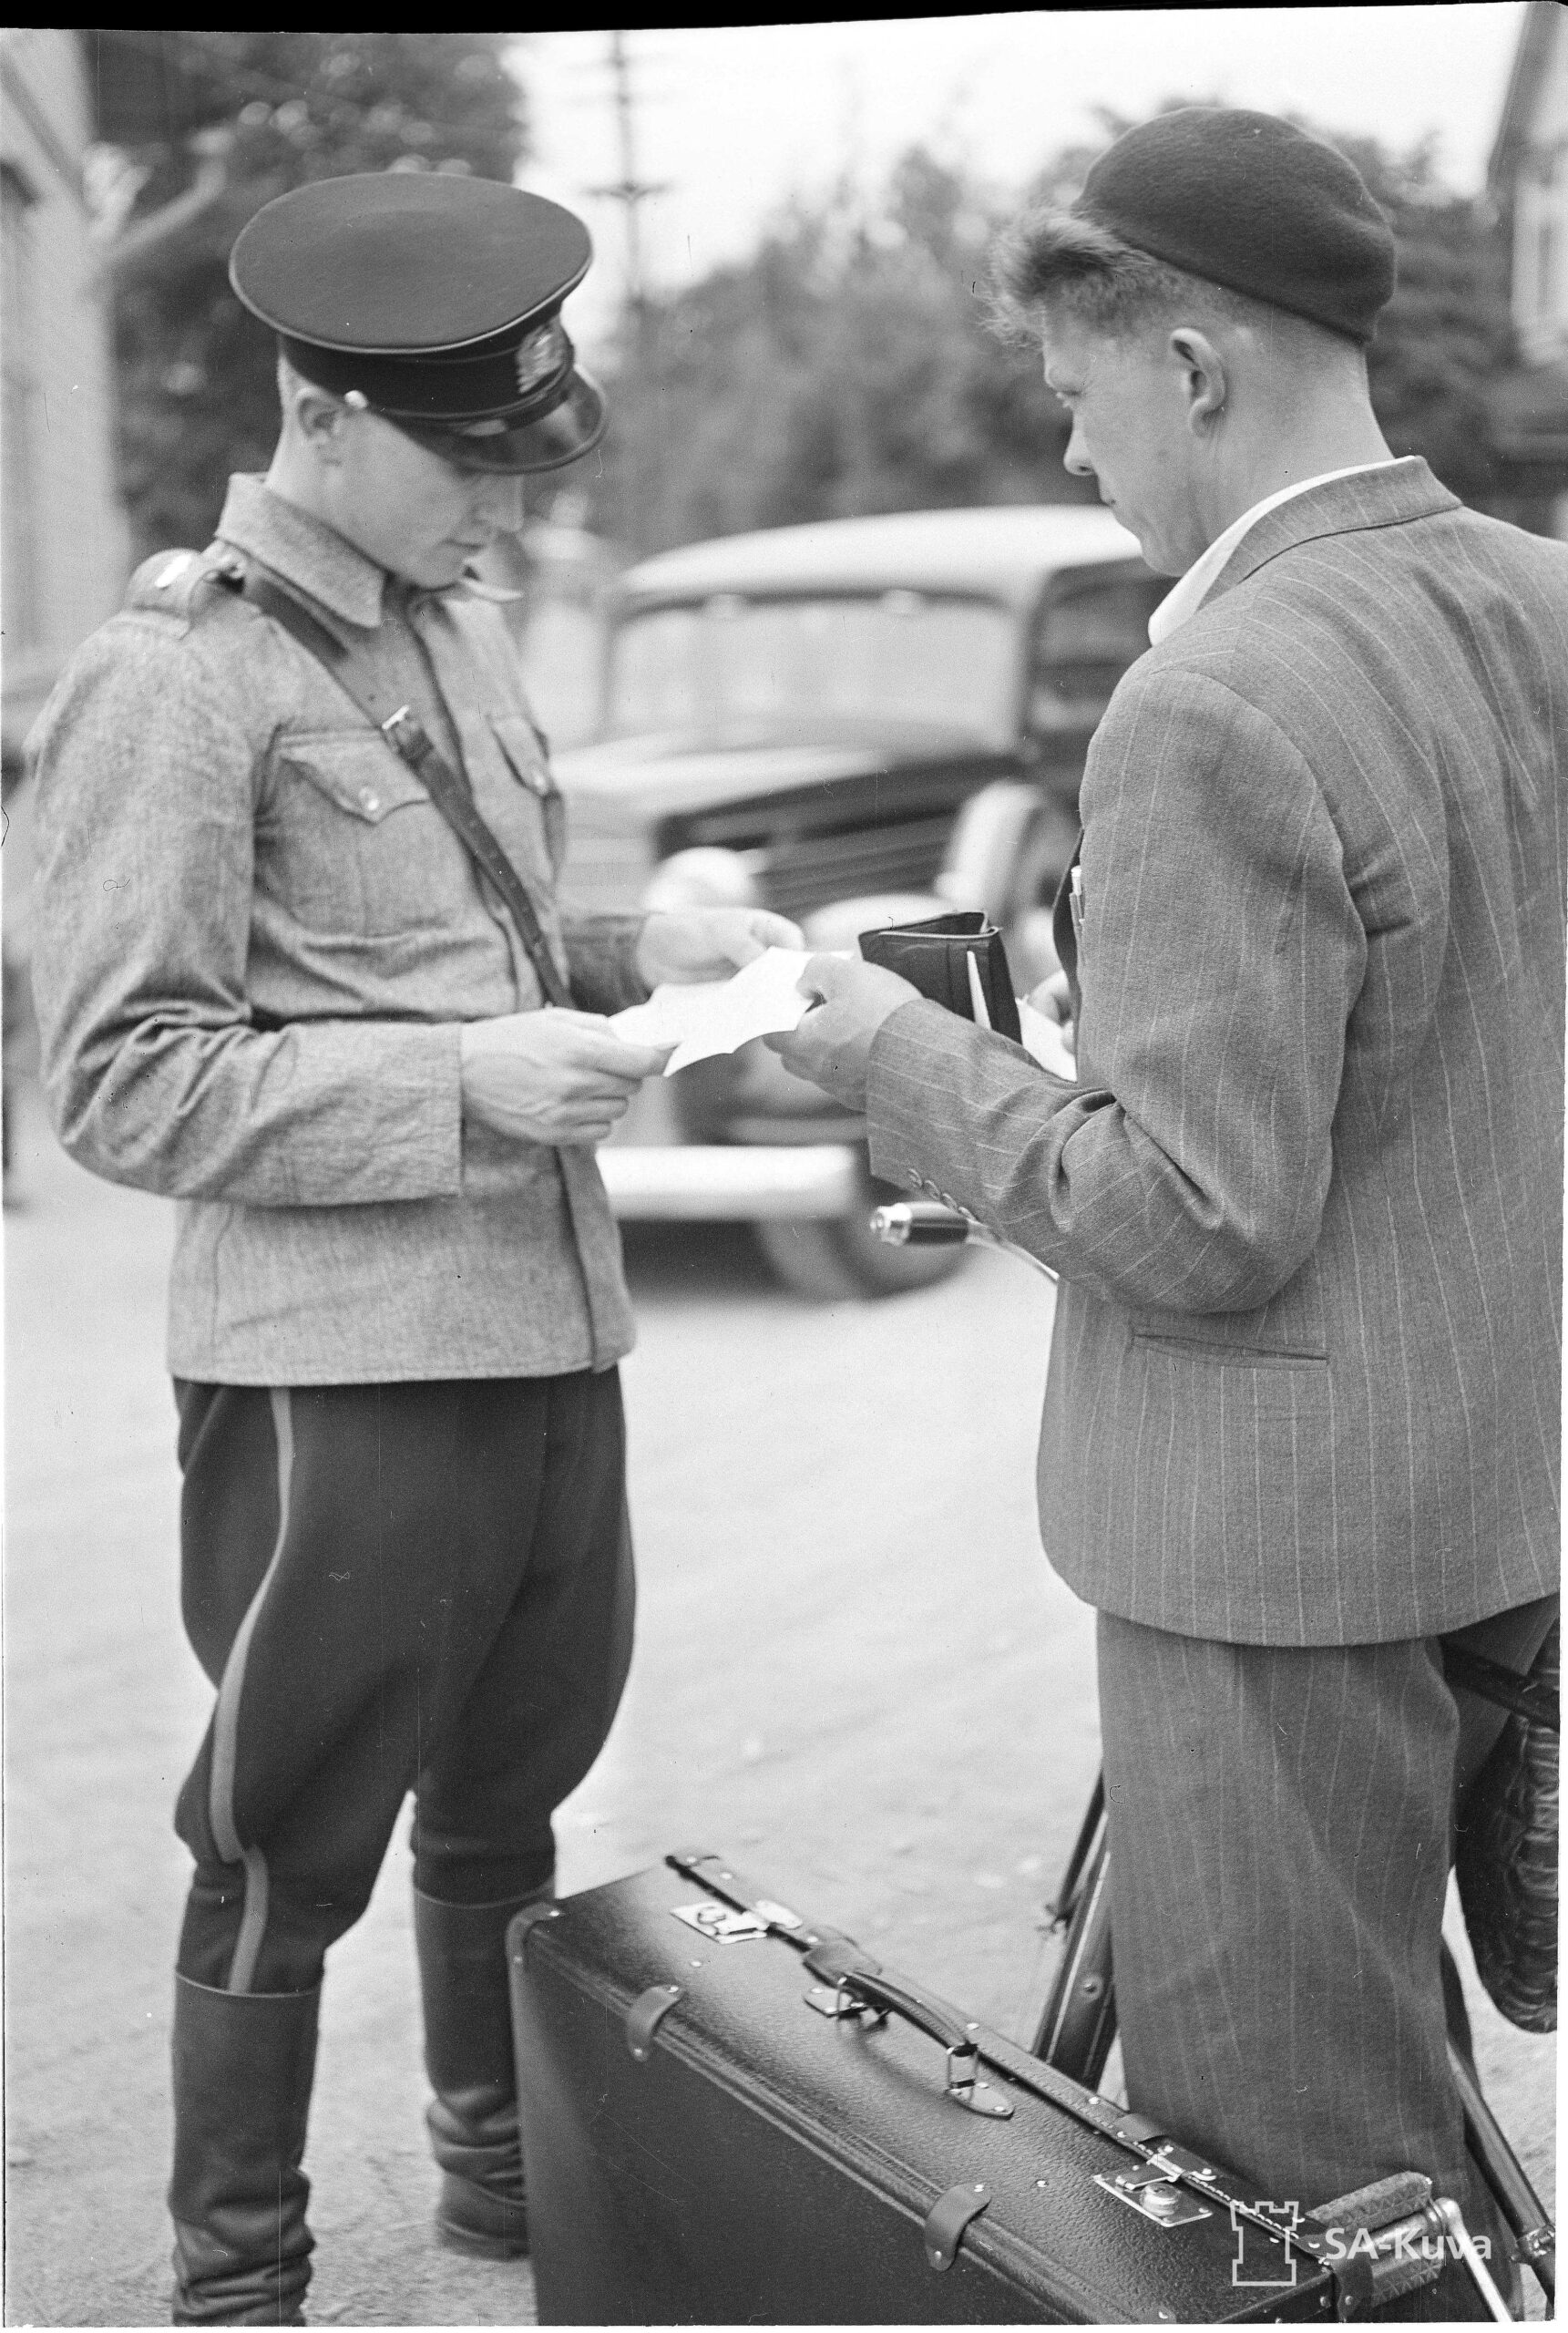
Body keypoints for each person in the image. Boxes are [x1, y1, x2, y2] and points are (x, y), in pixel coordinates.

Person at [771, 108, 1563, 2315]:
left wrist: (897, 1063)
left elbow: (1204, 1221)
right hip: (1482, 1497)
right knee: (1400, 2109)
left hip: (1272, 1561)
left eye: (1076, 395)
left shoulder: (1210, 691)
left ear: (1193, 365)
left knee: (1306, 2186)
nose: (1072, 452)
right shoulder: (1533, 592)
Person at [28, 171, 799, 2325]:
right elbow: (119, 1078)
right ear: (319, 411)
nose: (505, 506)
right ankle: (240, 2274)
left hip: (547, 1328)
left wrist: (656, 947)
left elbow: (467, 936)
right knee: (282, 1840)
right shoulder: (172, 678)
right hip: (340, 1364)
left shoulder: (448, 626)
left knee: (513, 1801)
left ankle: (501, 2185)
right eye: (471, 459)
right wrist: (467, 1081)